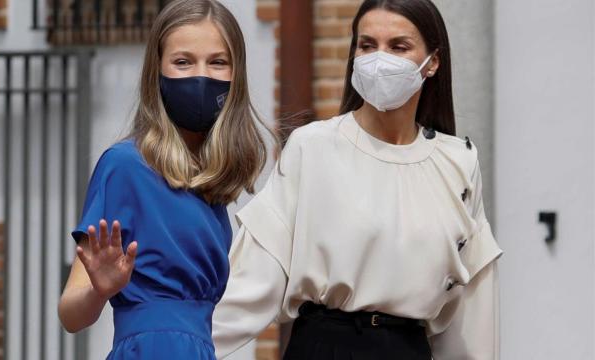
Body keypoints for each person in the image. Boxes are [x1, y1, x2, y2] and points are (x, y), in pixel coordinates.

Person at [212, 0, 503, 359]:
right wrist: (177, 347)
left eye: (398, 46)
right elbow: (253, 283)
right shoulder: (312, 147)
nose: (379, 59)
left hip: (406, 349)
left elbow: (468, 313)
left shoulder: (458, 162)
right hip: (323, 346)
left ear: (433, 62)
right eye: (367, 45)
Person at [57, 1, 272, 358]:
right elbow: (71, 315)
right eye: (183, 61)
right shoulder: (125, 165)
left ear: (237, 75)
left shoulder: (211, 184)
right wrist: (100, 289)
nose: (200, 76)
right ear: (157, 71)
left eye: (218, 62)